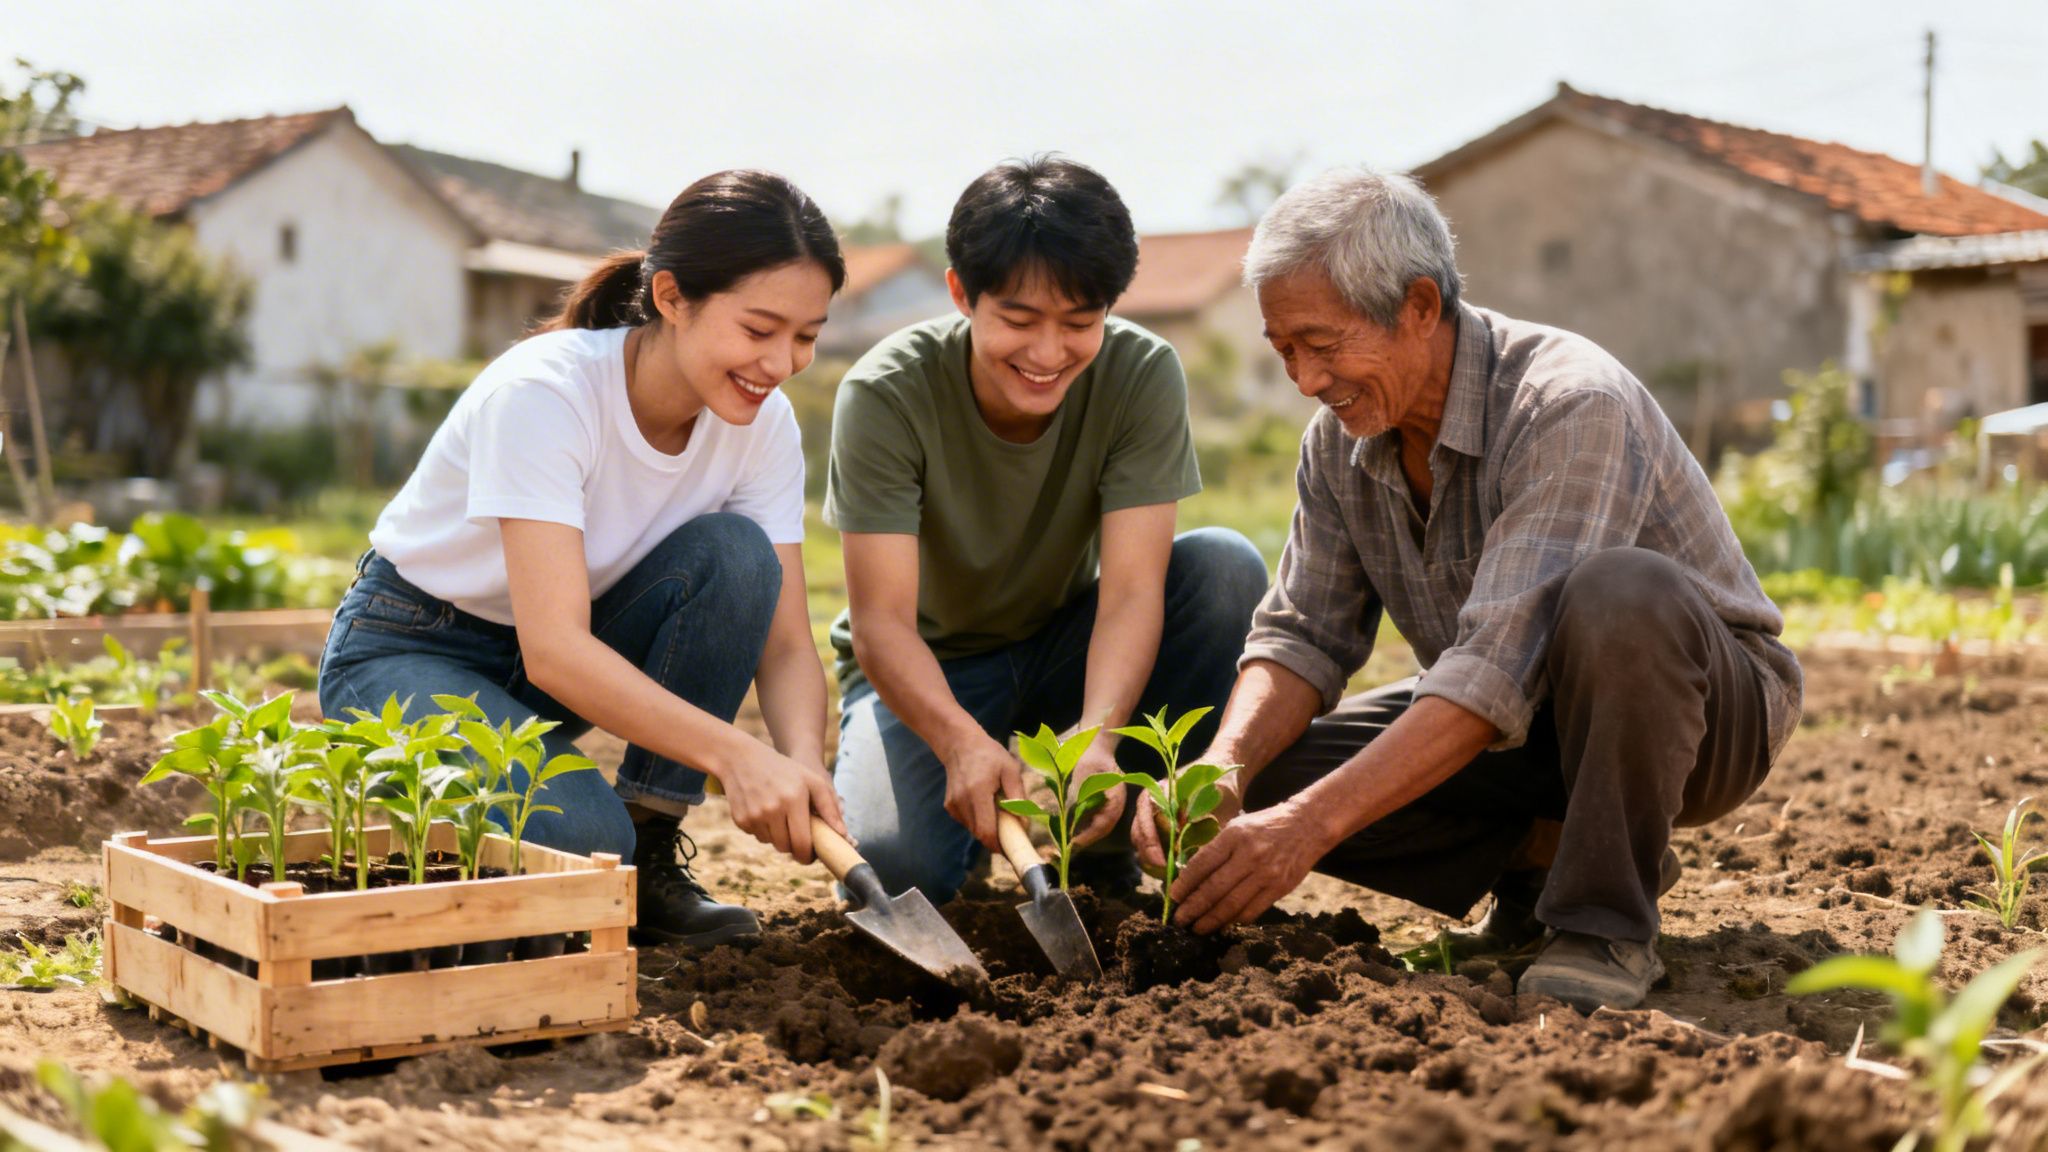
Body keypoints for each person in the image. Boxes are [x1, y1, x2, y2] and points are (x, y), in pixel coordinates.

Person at [1139, 168, 1803, 1012]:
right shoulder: (1340, 442)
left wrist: (1308, 829)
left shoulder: (1566, 402)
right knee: (1268, 787)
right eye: (1284, 350)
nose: (1305, 379)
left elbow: (1494, 669)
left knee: (1619, 592)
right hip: (1516, 723)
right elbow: (1304, 636)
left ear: (1419, 308)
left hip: (1699, 718)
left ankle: (1604, 919)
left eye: (1323, 343)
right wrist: (1224, 769)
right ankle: (1538, 861)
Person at [318, 170, 850, 948]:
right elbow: (555, 649)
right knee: (576, 836)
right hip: (410, 649)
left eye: (806, 337)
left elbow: (788, 641)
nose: (780, 364)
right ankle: (538, 843)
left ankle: (651, 855)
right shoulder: (545, 394)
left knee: (738, 560)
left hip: (552, 664)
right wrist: (735, 755)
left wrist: (803, 765)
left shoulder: (760, 426)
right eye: (759, 329)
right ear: (671, 297)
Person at [824, 155, 1270, 903]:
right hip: (929, 663)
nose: (1047, 353)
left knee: (1224, 568)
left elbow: (1131, 590)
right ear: (961, 294)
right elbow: (882, 624)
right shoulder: (885, 394)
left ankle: (1108, 843)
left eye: (1079, 323)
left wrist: (1098, 737)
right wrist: (959, 742)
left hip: (1064, 643)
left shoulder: (1140, 374)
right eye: (1019, 320)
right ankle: (962, 831)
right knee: (899, 876)